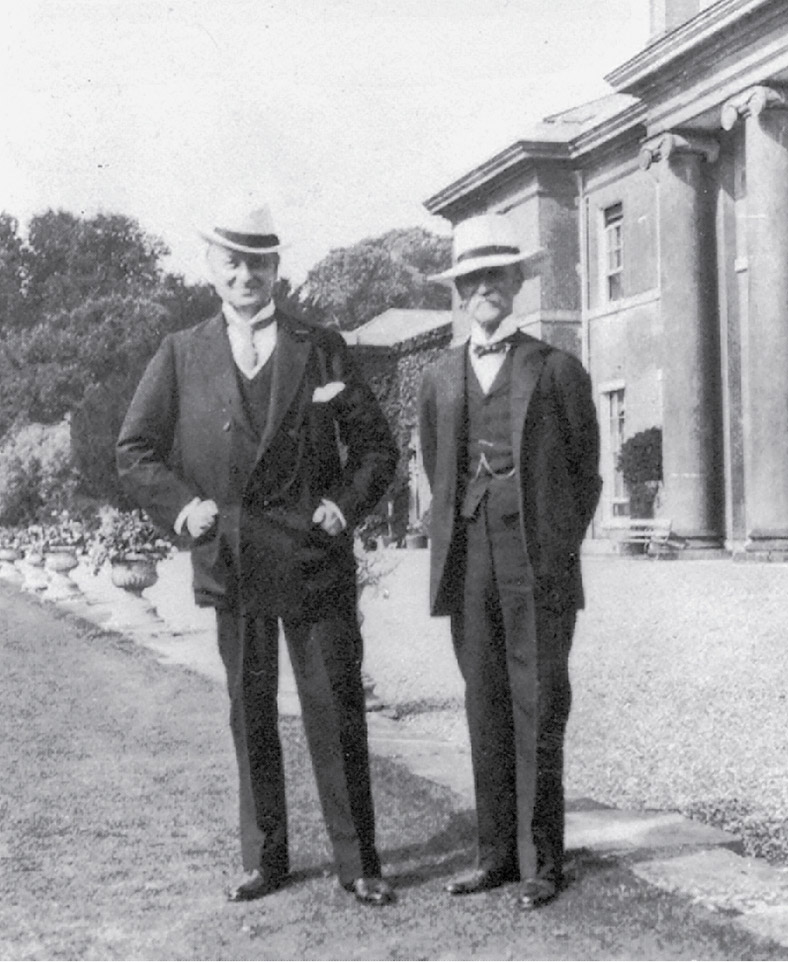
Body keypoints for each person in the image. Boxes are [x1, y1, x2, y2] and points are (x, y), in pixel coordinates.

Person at [117, 202, 398, 906]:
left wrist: (346, 505)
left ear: (279, 268)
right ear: (212, 267)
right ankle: (265, 858)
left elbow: (375, 449)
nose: (247, 274)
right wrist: (184, 508)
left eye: (261, 262)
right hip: (232, 554)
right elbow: (135, 450)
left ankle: (359, 862)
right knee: (250, 708)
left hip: (313, 554)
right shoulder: (181, 352)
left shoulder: (322, 344)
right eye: (234, 261)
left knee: (333, 705)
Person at [418, 212, 601, 910]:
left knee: (540, 704)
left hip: (538, 564)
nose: (487, 287)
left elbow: (585, 474)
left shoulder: (557, 369)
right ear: (461, 292)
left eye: (499, 274)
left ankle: (541, 862)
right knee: (484, 702)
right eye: (474, 278)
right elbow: (440, 471)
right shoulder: (438, 378)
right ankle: (493, 855)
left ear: (519, 281)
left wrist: (554, 540)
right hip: (469, 561)